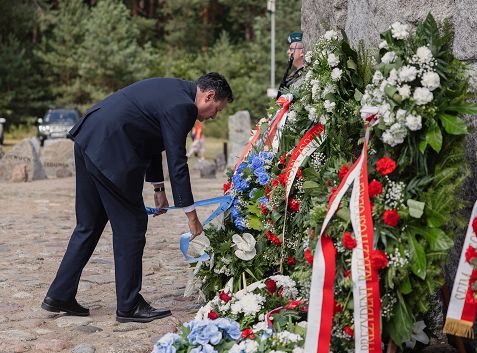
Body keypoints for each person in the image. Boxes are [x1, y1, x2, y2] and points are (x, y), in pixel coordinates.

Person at [41, 73, 233, 323]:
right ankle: (129, 306)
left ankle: (60, 295)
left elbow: (153, 140)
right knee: (132, 226)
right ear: (209, 96)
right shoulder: (183, 107)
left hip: (89, 138)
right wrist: (192, 215)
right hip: (111, 151)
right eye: (216, 108)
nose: (213, 115)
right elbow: (177, 162)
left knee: (88, 225)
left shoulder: (173, 90)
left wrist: (158, 189)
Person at [276, 31, 305, 99]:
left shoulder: (305, 74)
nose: (288, 52)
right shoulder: (294, 74)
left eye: (291, 49)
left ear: (302, 52)